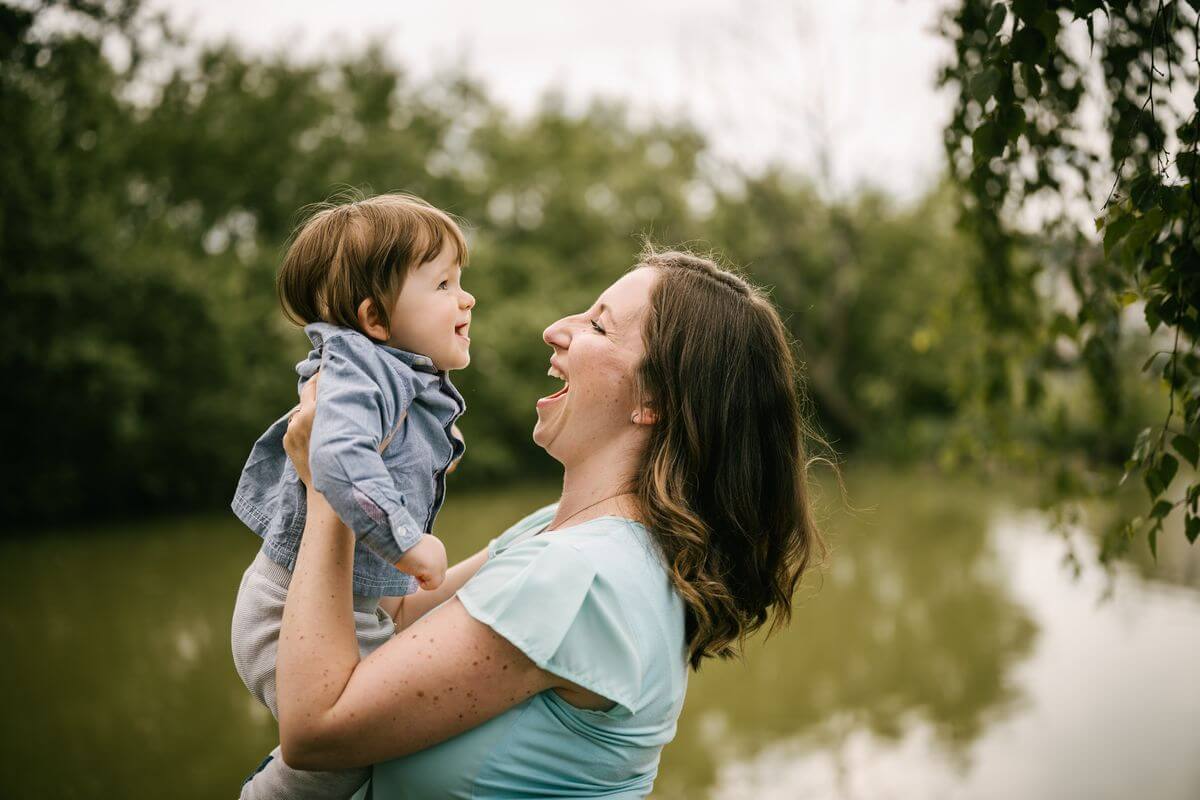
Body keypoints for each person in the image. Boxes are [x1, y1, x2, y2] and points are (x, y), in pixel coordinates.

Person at [272, 248, 825, 799]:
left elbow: (314, 730)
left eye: (598, 326)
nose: (555, 330)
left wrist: (330, 486)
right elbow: (396, 613)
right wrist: (384, 469)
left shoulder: (576, 576)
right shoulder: (567, 535)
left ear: (653, 399)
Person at [231, 193, 475, 799]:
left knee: (384, 729)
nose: (466, 298)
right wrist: (407, 543)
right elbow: (336, 459)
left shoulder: (395, 372)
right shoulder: (358, 370)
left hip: (351, 605)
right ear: (375, 318)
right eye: (443, 284)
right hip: (288, 610)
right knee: (350, 747)